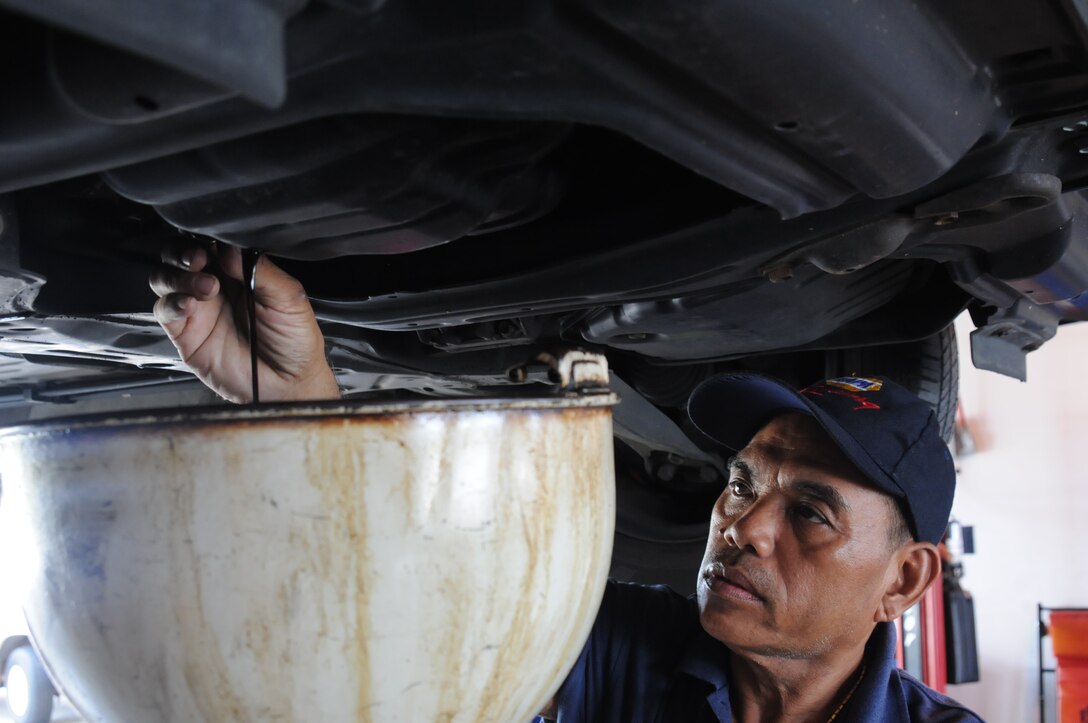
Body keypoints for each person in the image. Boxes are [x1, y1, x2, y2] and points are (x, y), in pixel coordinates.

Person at [151, 246, 983, 722]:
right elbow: (417, 598)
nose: (744, 525)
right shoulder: (626, 643)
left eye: (810, 512)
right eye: (740, 482)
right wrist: (300, 403)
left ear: (903, 580)